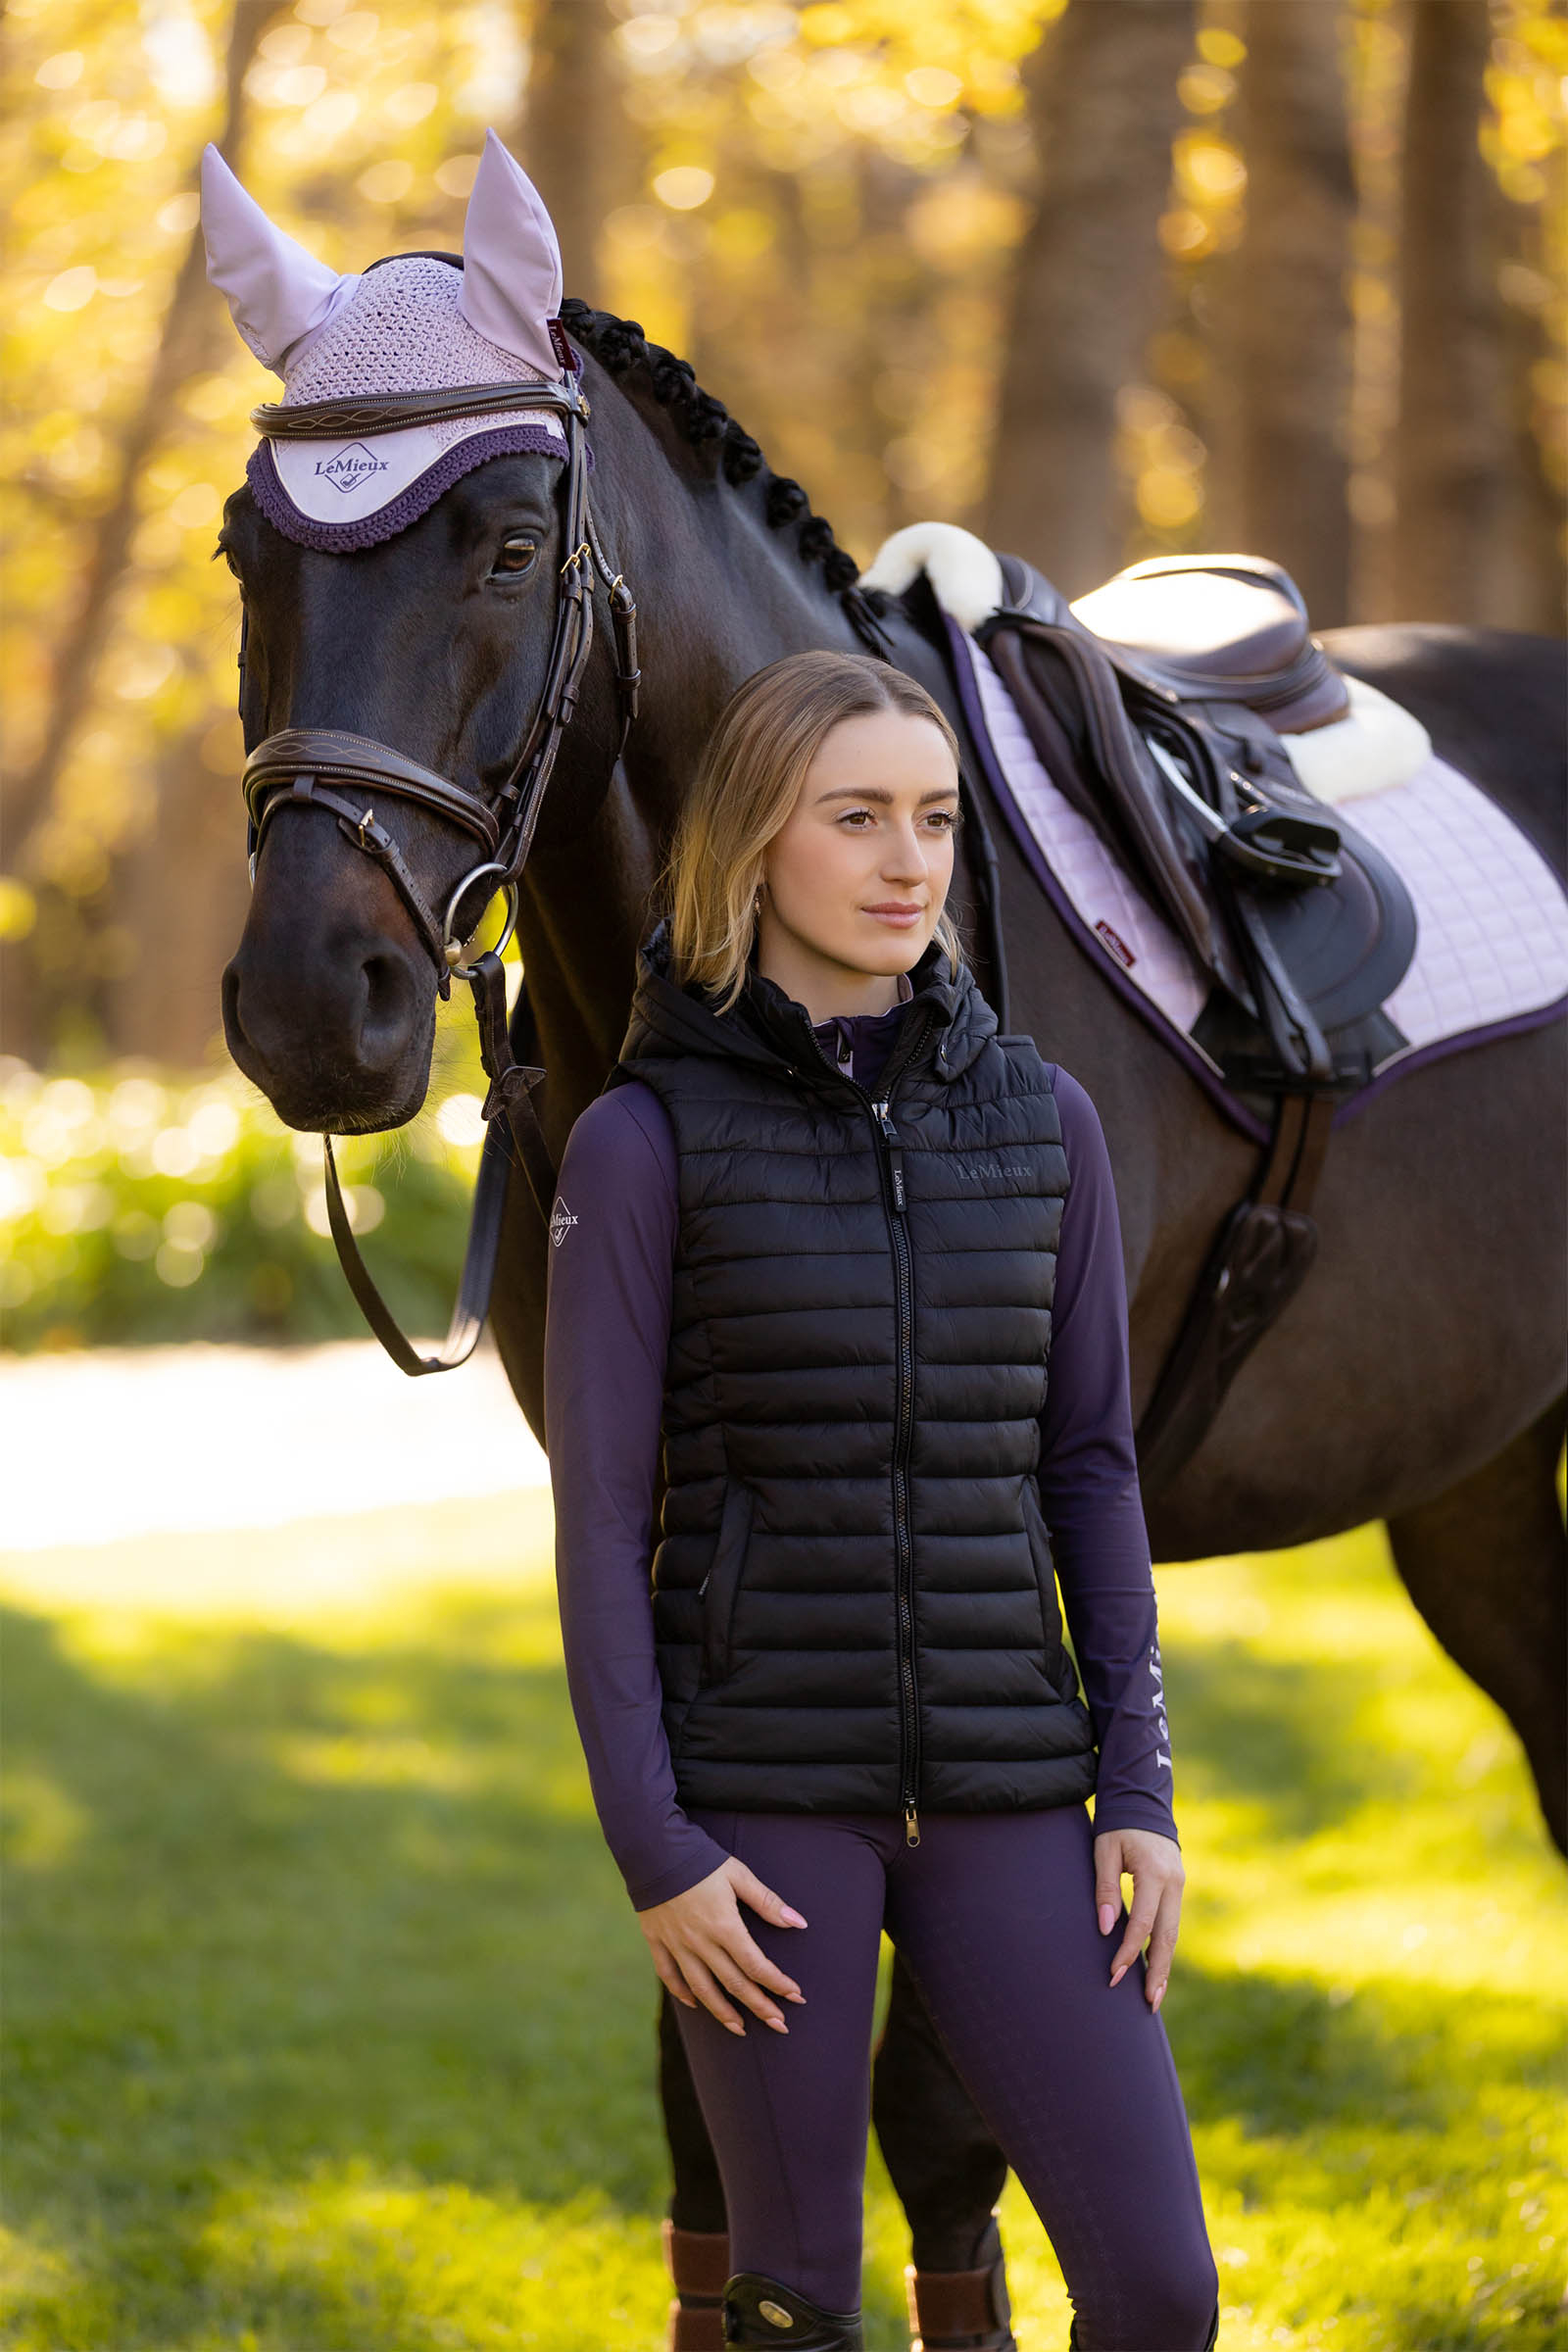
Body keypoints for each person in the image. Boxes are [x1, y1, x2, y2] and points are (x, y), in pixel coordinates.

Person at [544, 650, 1219, 2352]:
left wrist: (1137, 1788)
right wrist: (659, 1852)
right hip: (763, 1814)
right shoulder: (643, 1144)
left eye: (933, 819)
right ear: (751, 846)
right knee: (801, 2305)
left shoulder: (1046, 1124)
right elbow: (600, 1523)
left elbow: (1091, 1471)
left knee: (1159, 2294)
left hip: (1015, 1790)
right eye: (855, 819)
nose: (907, 861)